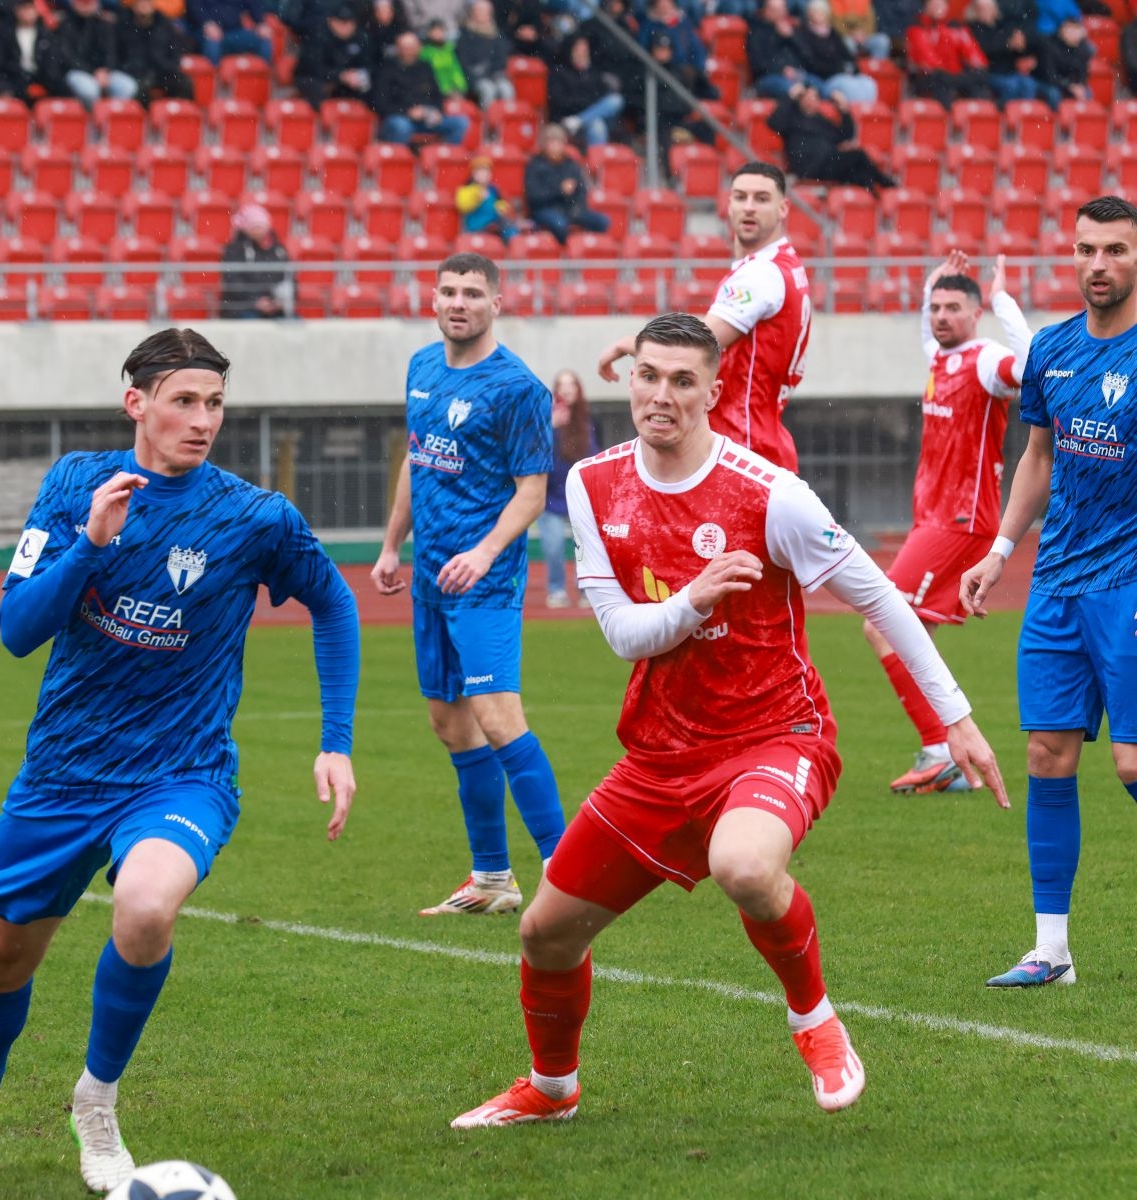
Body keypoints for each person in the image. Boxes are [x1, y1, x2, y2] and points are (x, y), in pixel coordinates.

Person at [450, 312, 1008, 1131]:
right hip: (659, 756)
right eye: (648, 376)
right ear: (628, 379)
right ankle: (552, 1089)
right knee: (544, 933)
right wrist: (695, 596)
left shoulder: (770, 493)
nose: (662, 395)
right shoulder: (592, 484)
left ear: (714, 390)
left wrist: (954, 717)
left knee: (744, 865)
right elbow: (622, 634)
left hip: (775, 735)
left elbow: (879, 593)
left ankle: (815, 1020)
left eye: (683, 380)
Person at [0, 328, 360, 1194]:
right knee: (0, 954)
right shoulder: (75, 483)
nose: (202, 420)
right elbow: (15, 630)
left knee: (145, 906)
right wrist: (91, 545)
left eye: (215, 403)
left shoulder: (255, 516)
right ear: (135, 403)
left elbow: (334, 603)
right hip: (65, 770)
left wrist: (335, 740)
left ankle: (97, 1101)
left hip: (183, 772)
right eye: (184, 400)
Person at [962, 197, 1137, 990]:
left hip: (1128, 583)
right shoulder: (1054, 351)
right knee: (1046, 754)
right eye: (1086, 249)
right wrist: (1000, 550)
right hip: (1056, 583)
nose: (1098, 264)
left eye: (1116, 250)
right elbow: (1037, 457)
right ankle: (1052, 950)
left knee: (1132, 765)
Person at [371, 254, 566, 917]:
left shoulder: (518, 388)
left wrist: (484, 553)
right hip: (430, 577)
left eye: (473, 293)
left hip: (484, 580)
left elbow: (533, 493)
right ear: (433, 298)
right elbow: (415, 458)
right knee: (450, 724)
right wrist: (393, 541)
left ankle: (569, 868)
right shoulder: (421, 366)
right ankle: (492, 880)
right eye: (449, 291)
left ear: (496, 303)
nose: (459, 302)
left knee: (498, 715)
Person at [868, 252, 1029, 794]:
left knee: (882, 624)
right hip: (933, 517)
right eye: (935, 307)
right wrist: (932, 283)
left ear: (976, 312)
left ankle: (941, 747)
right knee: (918, 635)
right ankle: (949, 758)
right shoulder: (942, 357)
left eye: (953, 307)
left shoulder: (986, 360)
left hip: (960, 520)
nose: (940, 315)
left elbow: (1033, 371)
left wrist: (1005, 302)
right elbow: (929, 329)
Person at [599, 163, 810, 470]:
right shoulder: (785, 266)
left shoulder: (761, 274)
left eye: (761, 199)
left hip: (743, 443)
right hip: (761, 437)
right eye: (740, 197)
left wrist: (625, 344)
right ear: (729, 204)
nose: (749, 207)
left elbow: (694, 345)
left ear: (783, 208)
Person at [766, 82, 897, 191]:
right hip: (808, 167)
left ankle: (875, 200)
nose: (811, 101)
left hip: (827, 163)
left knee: (859, 175)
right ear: (799, 99)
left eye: (814, 97)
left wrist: (844, 111)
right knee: (858, 155)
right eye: (807, 97)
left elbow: (844, 136)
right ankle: (885, 182)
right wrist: (790, 97)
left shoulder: (821, 120)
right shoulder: (792, 119)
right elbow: (773, 122)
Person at [540, 369, 599, 609]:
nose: (566, 389)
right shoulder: (544, 420)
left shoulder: (587, 421)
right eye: (561, 384)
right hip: (551, 499)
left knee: (584, 550)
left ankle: (585, 591)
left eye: (571, 384)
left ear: (578, 389)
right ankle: (556, 590)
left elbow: (594, 457)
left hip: (579, 498)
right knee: (553, 547)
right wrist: (550, 426)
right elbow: (534, 452)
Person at [374, 31, 469, 146]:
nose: (409, 51)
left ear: (419, 47)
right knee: (401, 126)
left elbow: (437, 96)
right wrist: (407, 112)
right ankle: (401, 160)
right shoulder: (386, 69)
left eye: (412, 47)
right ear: (398, 48)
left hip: (426, 117)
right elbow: (380, 104)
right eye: (405, 47)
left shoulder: (425, 67)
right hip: (399, 118)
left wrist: (435, 111)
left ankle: (441, 158)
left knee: (460, 123)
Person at [44, 0, 138, 108]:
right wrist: (92, 71)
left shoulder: (104, 23)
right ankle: (91, 119)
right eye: (83, 3)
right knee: (89, 90)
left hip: (102, 72)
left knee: (127, 86)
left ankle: (112, 116)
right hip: (76, 71)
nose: (86, 6)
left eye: (89, 3)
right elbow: (67, 56)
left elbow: (111, 51)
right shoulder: (65, 24)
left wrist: (106, 70)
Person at [523, 123, 608, 243]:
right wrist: (559, 190)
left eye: (559, 143)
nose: (555, 147)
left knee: (602, 221)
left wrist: (577, 208)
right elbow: (534, 197)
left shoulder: (571, 164)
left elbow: (581, 191)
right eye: (552, 143)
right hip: (544, 210)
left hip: (570, 209)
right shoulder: (535, 165)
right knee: (560, 225)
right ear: (544, 145)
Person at [967, 0, 1058, 105]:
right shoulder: (974, 29)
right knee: (1011, 86)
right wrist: (1008, 45)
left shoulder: (1003, 26)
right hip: (990, 73)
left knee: (1028, 84)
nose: (986, 12)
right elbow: (984, 49)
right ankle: (1004, 114)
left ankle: (1024, 115)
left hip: (1009, 71)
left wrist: (1025, 55)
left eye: (988, 8)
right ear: (975, 11)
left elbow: (1023, 43)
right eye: (981, 9)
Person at [906, 0, 990, 106]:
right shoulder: (916, 30)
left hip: (950, 77)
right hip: (927, 78)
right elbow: (928, 61)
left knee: (979, 83)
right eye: (935, 3)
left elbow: (975, 58)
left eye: (942, 3)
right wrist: (953, 76)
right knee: (942, 84)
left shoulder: (953, 30)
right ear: (926, 6)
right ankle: (945, 119)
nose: (939, 6)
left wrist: (973, 72)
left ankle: (978, 118)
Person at [797, 1, 880, 104]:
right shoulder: (804, 34)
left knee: (869, 83)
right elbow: (812, 64)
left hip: (842, 74)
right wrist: (839, 69)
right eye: (815, 12)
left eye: (821, 12)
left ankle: (867, 114)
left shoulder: (833, 34)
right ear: (809, 14)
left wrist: (852, 70)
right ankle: (853, 115)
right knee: (848, 87)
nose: (818, 15)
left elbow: (848, 56)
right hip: (825, 79)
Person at [546, 35, 621, 149]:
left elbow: (601, 95)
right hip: (566, 120)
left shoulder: (593, 73)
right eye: (578, 50)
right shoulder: (559, 72)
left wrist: (585, 110)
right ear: (570, 51)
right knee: (597, 125)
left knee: (615, 101)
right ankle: (596, 165)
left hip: (582, 120)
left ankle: (579, 120)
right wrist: (587, 103)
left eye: (585, 50)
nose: (582, 54)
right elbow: (560, 101)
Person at [116, 0, 196, 103]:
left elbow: (175, 52)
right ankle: (146, 116)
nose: (144, 6)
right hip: (137, 73)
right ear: (134, 6)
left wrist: (168, 67)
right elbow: (120, 55)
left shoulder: (164, 25)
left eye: (147, 3)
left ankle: (181, 114)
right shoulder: (124, 26)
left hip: (162, 71)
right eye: (141, 3)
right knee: (141, 87)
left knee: (185, 82)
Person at [220, 202, 289, 318]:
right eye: (255, 226)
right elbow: (232, 281)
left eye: (261, 226)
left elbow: (289, 278)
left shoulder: (278, 250)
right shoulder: (235, 250)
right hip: (242, 308)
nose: (259, 231)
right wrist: (255, 301)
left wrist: (280, 301)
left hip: (275, 310)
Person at [296, 5, 374, 107]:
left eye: (351, 23)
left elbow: (366, 63)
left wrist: (355, 75)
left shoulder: (359, 39)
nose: (348, 27)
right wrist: (339, 75)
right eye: (344, 22)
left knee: (368, 87)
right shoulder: (318, 37)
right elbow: (312, 67)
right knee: (317, 89)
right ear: (332, 22)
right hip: (315, 78)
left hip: (345, 81)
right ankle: (322, 118)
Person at [748, 0, 813, 99]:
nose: (781, 13)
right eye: (776, 10)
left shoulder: (792, 30)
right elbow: (758, 63)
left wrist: (792, 37)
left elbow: (808, 57)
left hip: (797, 75)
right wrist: (781, 70)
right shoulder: (757, 32)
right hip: (769, 78)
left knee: (819, 88)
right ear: (766, 11)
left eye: (782, 10)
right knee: (797, 91)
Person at [456, 0, 515, 105]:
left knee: (506, 89)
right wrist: (476, 74)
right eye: (478, 11)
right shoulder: (465, 35)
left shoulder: (497, 34)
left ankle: (506, 118)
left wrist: (493, 71)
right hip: (475, 77)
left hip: (495, 75)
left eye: (484, 11)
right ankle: (488, 119)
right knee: (488, 90)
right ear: (472, 13)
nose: (481, 14)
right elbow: (463, 62)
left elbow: (501, 58)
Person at [455, 154, 519, 240]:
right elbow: (463, 206)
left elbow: (501, 204)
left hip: (495, 226)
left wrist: (501, 208)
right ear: (473, 173)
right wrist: (476, 198)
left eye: (486, 171)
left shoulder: (493, 190)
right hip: (476, 228)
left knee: (507, 225)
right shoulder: (466, 190)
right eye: (480, 171)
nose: (484, 175)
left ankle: (514, 242)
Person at [188, 0, 274, 64]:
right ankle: (215, 84)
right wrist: (206, 23)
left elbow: (254, 4)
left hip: (234, 31)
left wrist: (260, 23)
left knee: (264, 40)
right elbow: (194, 6)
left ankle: (261, 83)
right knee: (212, 45)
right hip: (204, 32)